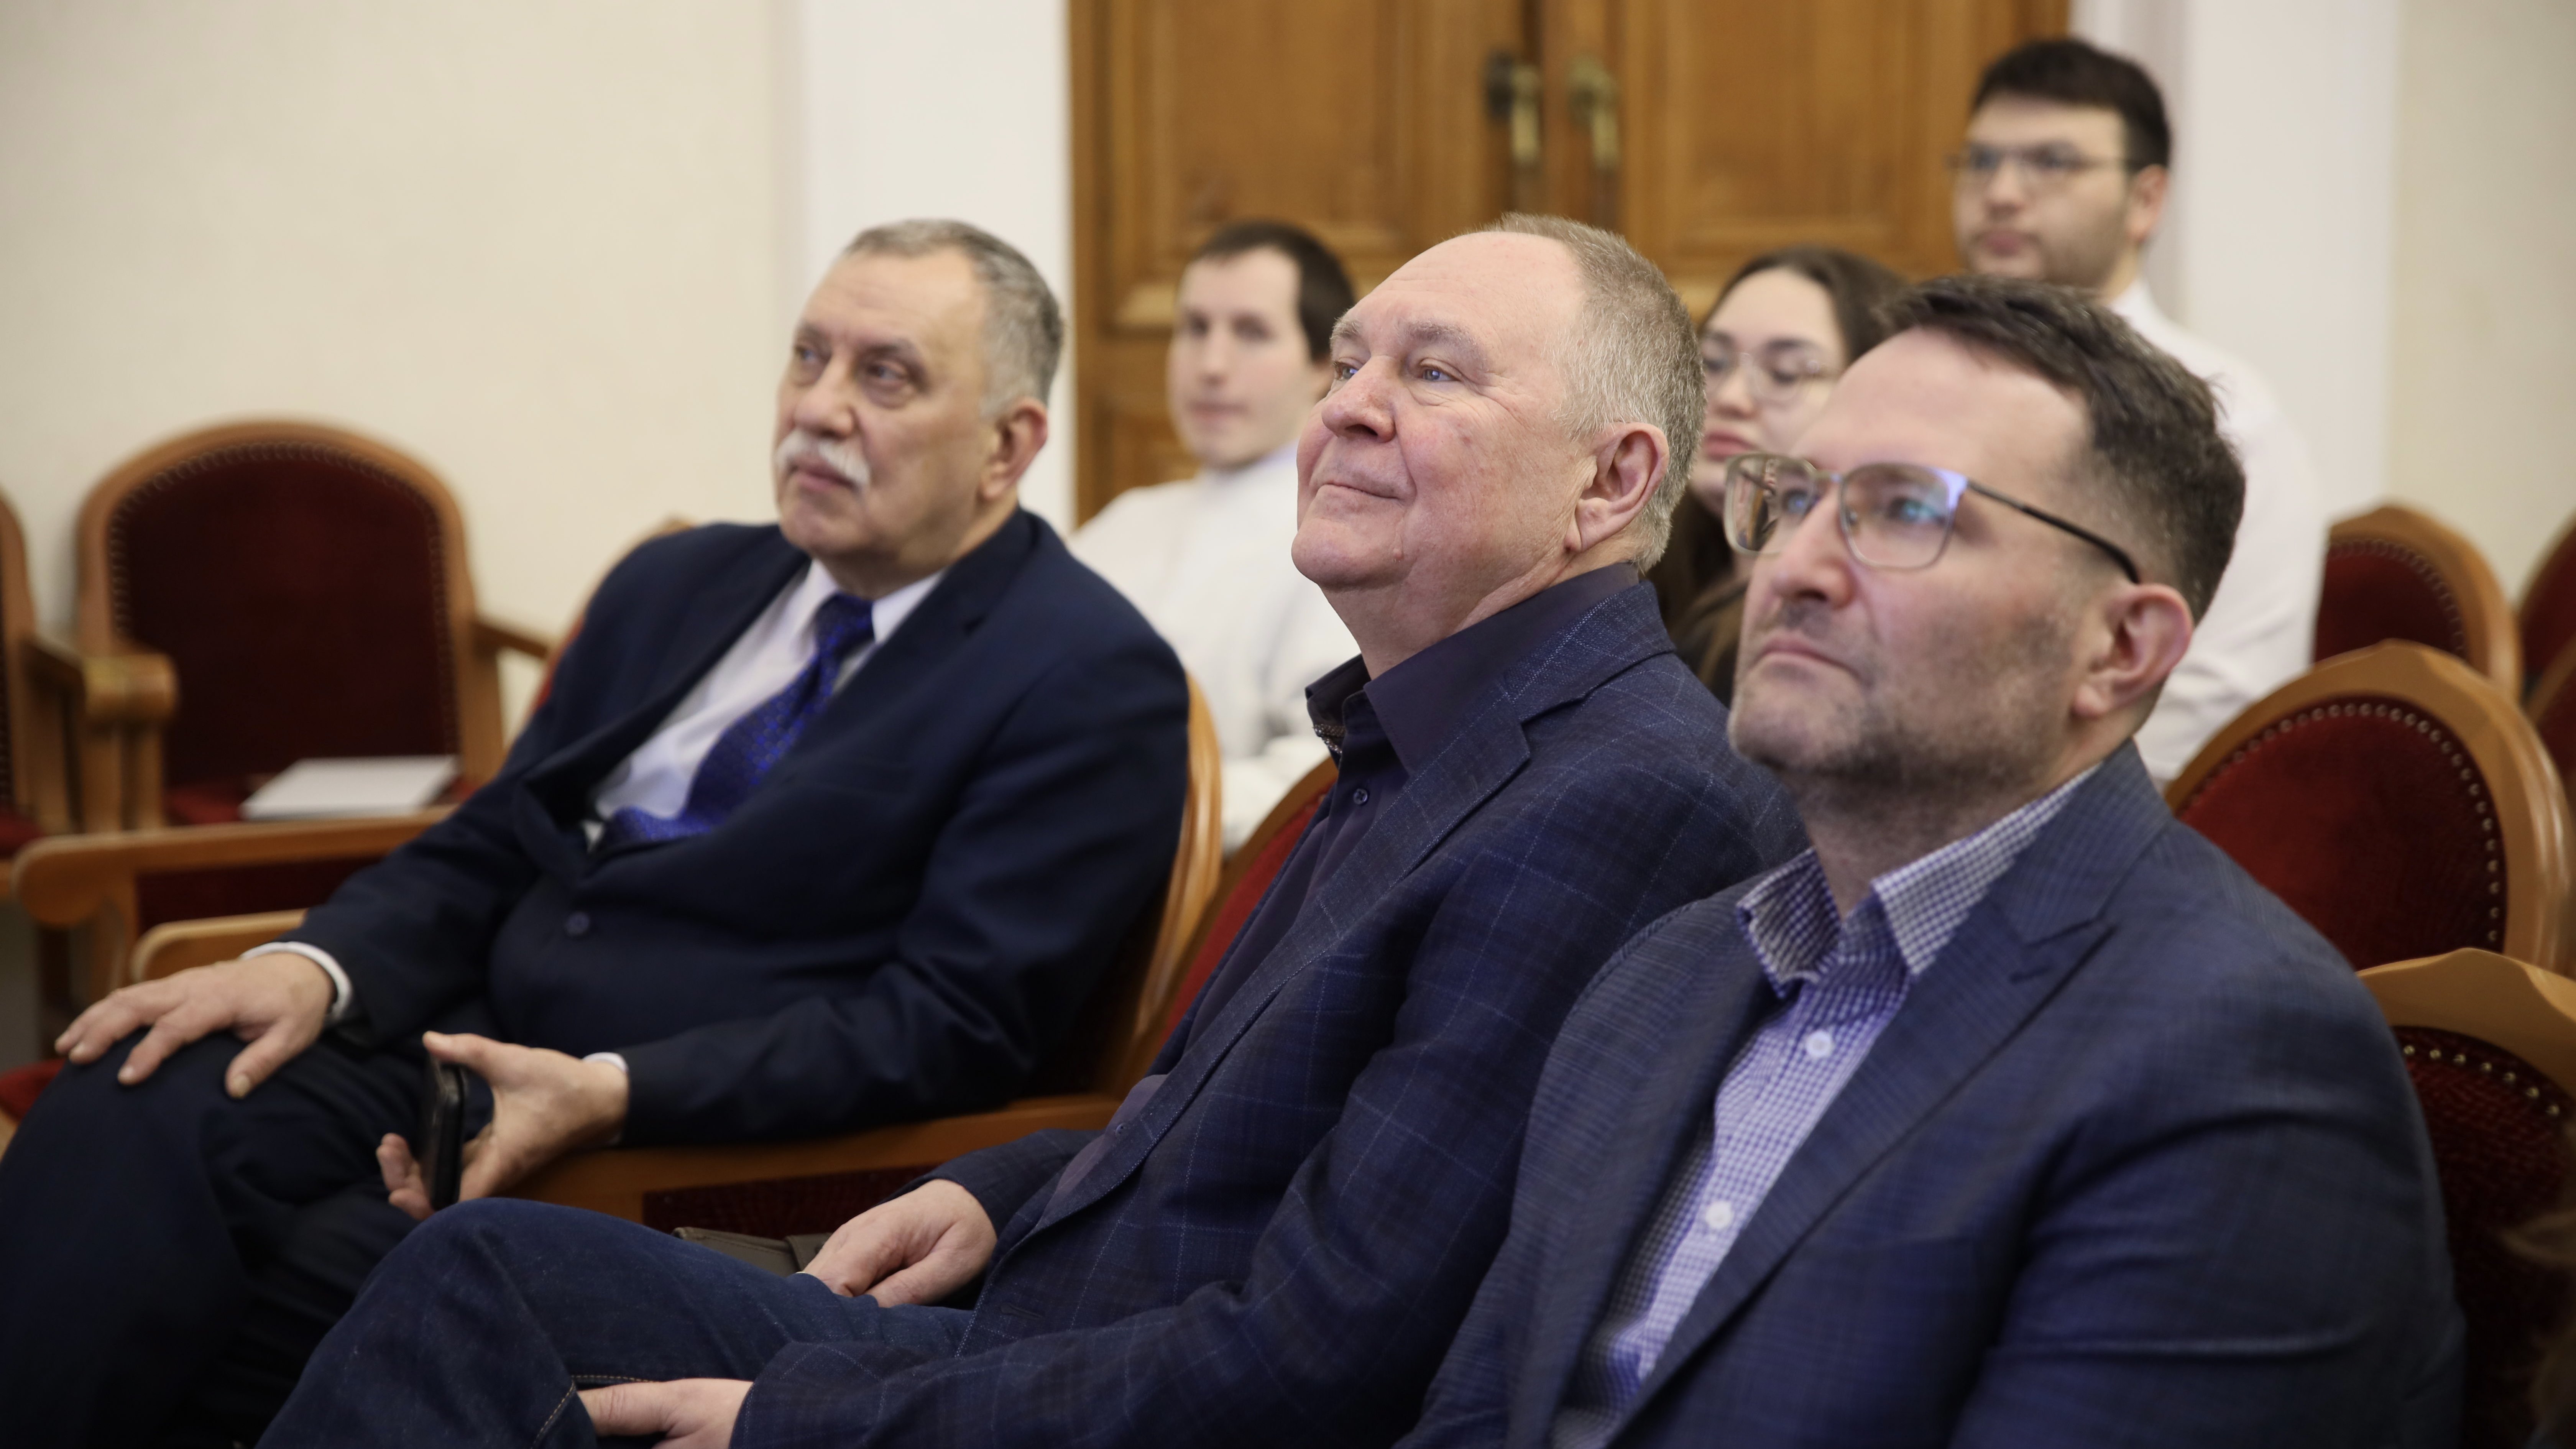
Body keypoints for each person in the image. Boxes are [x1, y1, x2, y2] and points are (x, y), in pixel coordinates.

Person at [257, 214, 1804, 1449]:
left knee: (481, 1287)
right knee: (430, 1248)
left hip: (1097, 1389)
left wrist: (813, 1420)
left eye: (1438, 374)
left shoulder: (1616, 798)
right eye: (1348, 362)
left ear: (1611, 481)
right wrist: (1000, 1193)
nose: (1346, 406)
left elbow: (1319, 1362)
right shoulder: (1438, 727)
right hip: (1054, 1316)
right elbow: (1251, 1133)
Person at [0, 219, 1192, 1447]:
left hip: (677, 1140)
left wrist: (613, 1093)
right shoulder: (680, 582)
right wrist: (313, 968)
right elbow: (494, 838)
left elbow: (946, 1026)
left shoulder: (1086, 676)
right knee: (137, 1092)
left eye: (884, 376)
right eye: (808, 356)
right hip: (456, 1043)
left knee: (299, 1281)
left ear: (1008, 444)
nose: (817, 407)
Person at [1401, 273, 2461, 1449]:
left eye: (1905, 511)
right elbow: (1476, 1417)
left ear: (2119, 647)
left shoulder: (2237, 1054)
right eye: (1796, 498)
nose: (1793, 569)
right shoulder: (1663, 973)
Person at [1953, 36, 2326, 781]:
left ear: (2146, 200)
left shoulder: (2224, 416)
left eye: (2052, 162)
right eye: (1982, 160)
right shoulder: (1924, 380)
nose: (2002, 192)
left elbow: (2219, 706)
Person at [1073, 220, 1360, 846]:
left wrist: (1125, 807)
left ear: (1323, 365)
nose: (1211, 366)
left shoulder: (1341, 544)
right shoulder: (1124, 523)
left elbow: (1329, 768)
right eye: (1195, 328)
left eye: (1251, 332)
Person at [1647, 246, 1905, 702]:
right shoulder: (1646, 564)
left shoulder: (1842, 623)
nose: (1730, 398)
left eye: (1785, 374)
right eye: (1713, 363)